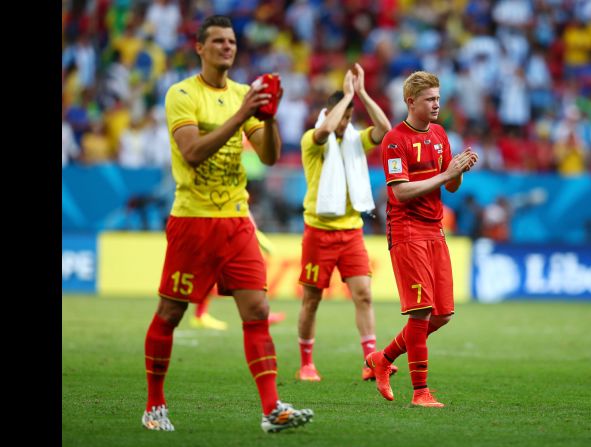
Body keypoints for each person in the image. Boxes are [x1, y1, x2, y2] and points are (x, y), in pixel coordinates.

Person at [141, 15, 313, 434]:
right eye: (217, 41)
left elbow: (269, 157)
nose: (226, 47)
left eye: (231, 41)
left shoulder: (243, 95)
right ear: (199, 47)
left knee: (257, 310)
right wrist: (242, 115)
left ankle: (272, 409)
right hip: (193, 221)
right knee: (170, 312)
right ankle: (154, 405)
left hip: (236, 221)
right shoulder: (182, 95)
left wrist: (269, 116)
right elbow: (193, 153)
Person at [365, 71, 478, 407]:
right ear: (410, 101)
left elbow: (450, 185)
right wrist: (446, 173)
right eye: (430, 99)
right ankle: (420, 392)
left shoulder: (440, 134)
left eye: (438, 98)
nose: (436, 104)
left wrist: (458, 170)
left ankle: (383, 358)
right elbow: (400, 193)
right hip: (407, 230)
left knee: (442, 314)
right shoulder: (394, 140)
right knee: (421, 312)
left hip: (435, 229)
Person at [296, 63, 396, 382]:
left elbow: (385, 130)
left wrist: (362, 94)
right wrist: (343, 101)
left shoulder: (354, 140)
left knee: (364, 294)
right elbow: (324, 131)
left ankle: (371, 361)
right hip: (319, 231)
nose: (345, 124)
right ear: (329, 114)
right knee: (312, 299)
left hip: (351, 231)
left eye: (349, 119)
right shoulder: (312, 140)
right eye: (341, 116)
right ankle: (306, 363)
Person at [191, 228, 286, 330]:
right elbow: (246, 220)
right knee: (246, 274)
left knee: (213, 277)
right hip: (226, 234)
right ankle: (259, 313)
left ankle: (200, 314)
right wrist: (262, 241)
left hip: (223, 234)